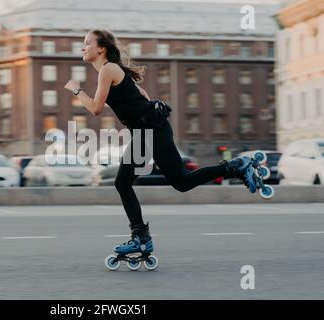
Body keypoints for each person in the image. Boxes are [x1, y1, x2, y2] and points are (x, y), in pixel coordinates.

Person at [64, 29, 255, 255]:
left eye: (87, 43)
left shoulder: (108, 70)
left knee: (178, 182)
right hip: (145, 131)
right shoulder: (112, 71)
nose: (83, 47)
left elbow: (95, 108)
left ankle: (236, 167)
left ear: (101, 48)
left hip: (152, 130)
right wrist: (150, 104)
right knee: (129, 183)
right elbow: (142, 93)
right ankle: (141, 237)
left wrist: (76, 89)